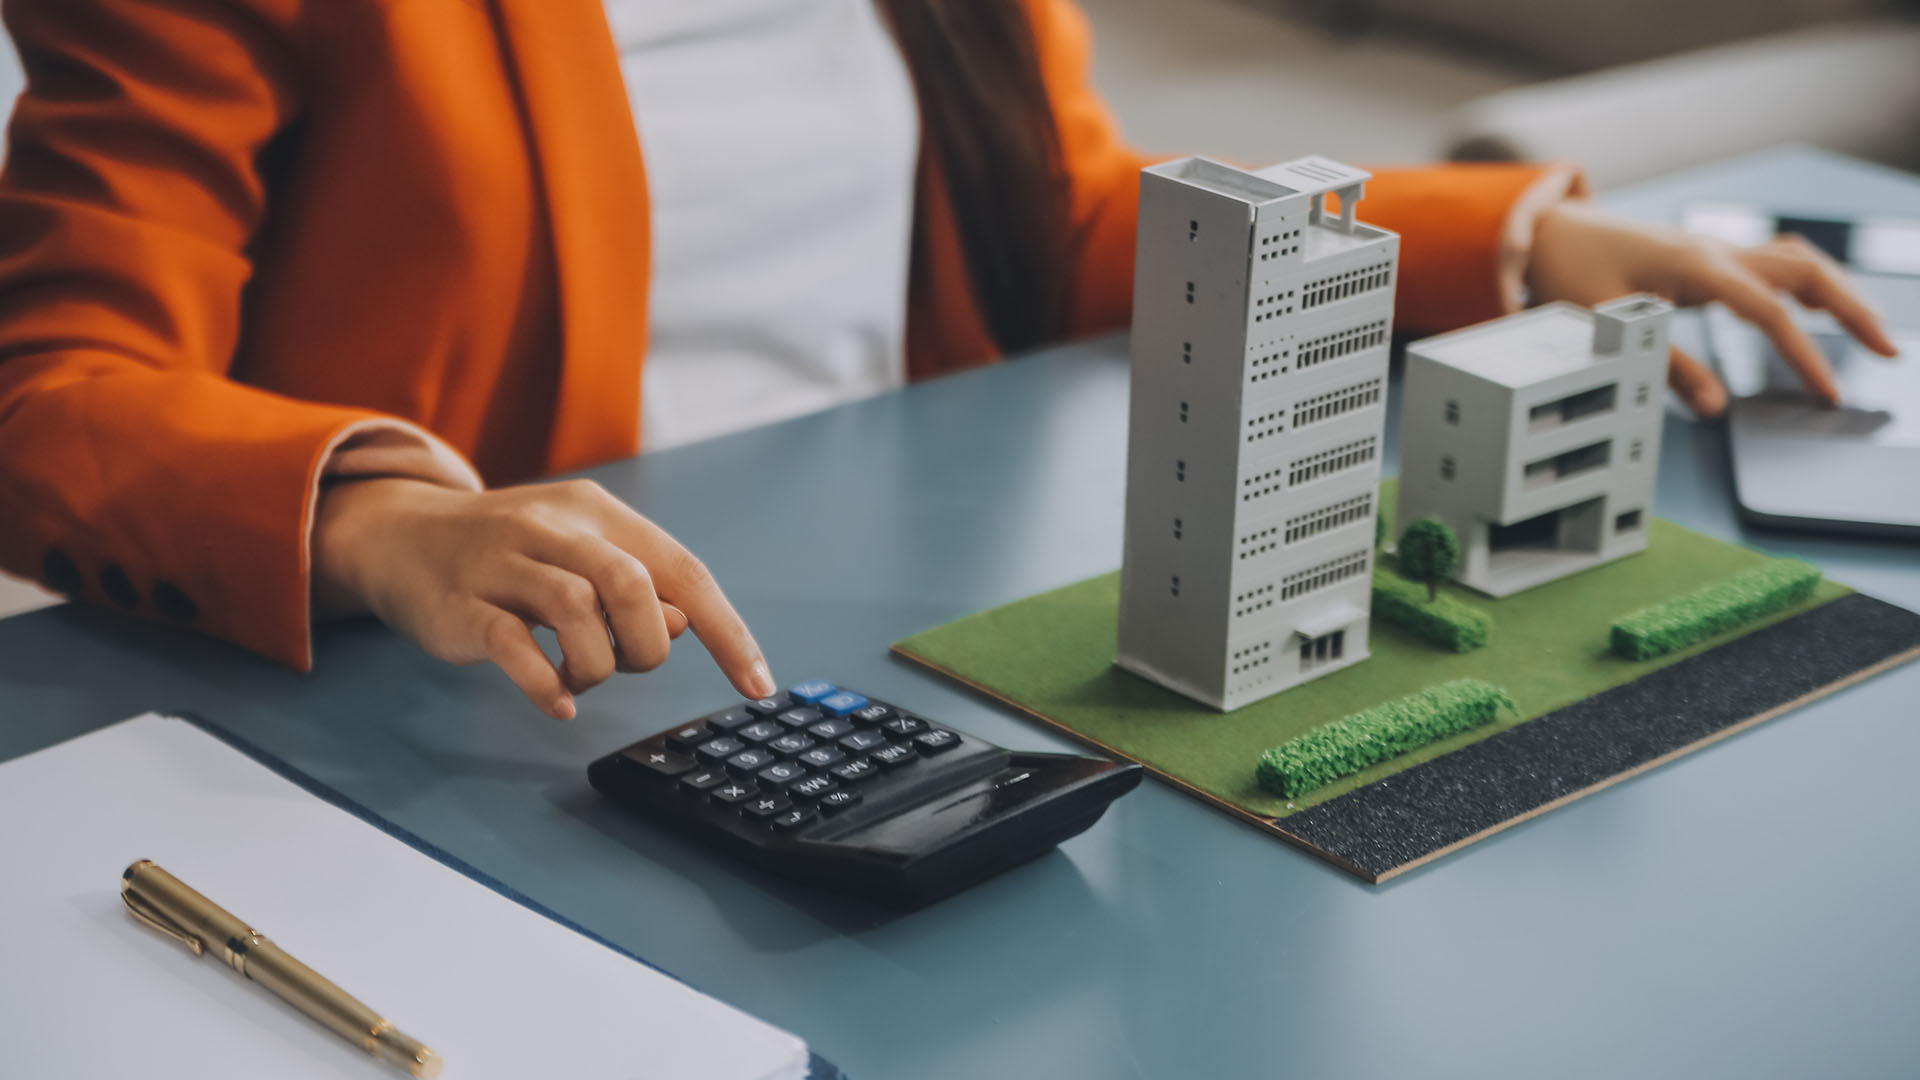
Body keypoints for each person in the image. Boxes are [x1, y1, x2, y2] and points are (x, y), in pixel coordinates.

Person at [0, 0, 1896, 721]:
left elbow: (1052, 224)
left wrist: (1497, 236)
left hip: (909, 597)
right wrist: (381, 515)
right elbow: (52, 394)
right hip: (524, 680)